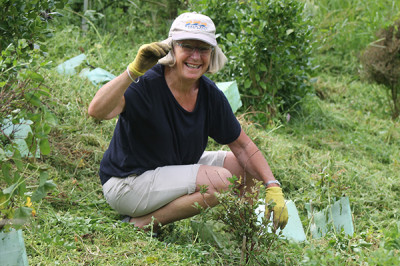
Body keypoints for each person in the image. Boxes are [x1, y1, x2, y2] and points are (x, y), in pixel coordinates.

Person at [88, 12, 288, 233]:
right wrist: (132, 71)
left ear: (212, 54)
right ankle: (141, 224)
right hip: (127, 183)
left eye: (203, 49)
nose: (195, 56)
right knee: (221, 181)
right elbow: (97, 111)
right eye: (187, 46)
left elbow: (243, 146)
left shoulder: (209, 94)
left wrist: (272, 185)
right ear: (171, 48)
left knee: (245, 167)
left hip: (168, 168)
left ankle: (242, 233)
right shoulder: (146, 84)